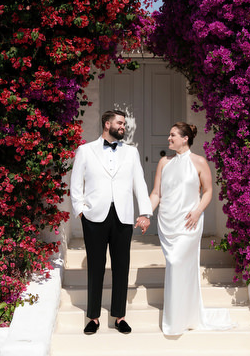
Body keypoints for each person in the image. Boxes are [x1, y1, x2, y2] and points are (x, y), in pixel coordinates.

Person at [70, 109, 152, 335]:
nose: (123, 127)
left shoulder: (132, 153)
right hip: (94, 217)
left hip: (123, 217)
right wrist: (81, 211)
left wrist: (144, 212)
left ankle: (119, 316)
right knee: (95, 268)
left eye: (124, 124)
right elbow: (76, 185)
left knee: (121, 267)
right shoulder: (85, 151)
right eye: (120, 123)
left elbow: (140, 184)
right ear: (107, 124)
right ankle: (93, 317)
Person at [149, 122, 233, 335]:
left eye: (172, 135)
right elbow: (156, 193)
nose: (169, 139)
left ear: (185, 138)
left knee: (177, 263)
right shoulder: (163, 162)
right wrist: (145, 213)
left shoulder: (199, 162)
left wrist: (197, 211)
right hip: (167, 222)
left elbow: (208, 191)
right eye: (169, 135)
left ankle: (176, 321)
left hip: (189, 222)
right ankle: (184, 316)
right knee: (176, 267)